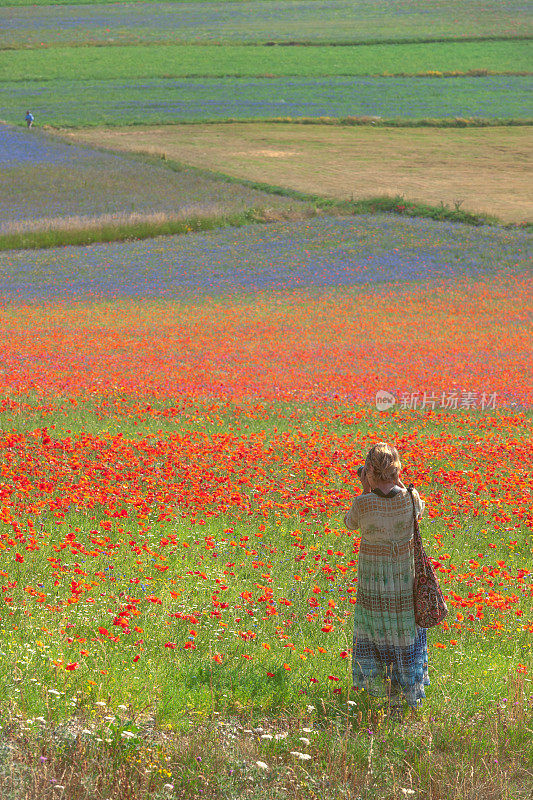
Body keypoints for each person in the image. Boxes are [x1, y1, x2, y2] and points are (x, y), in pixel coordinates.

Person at [343, 442, 429, 719]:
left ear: (369, 471)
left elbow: (350, 524)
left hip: (372, 581)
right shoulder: (411, 498)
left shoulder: (362, 502)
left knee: (376, 628)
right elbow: (420, 510)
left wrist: (366, 489)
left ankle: (385, 693)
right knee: (402, 629)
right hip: (403, 579)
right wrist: (400, 483)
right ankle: (403, 693)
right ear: (396, 469)